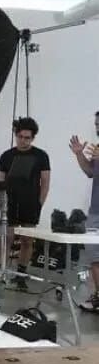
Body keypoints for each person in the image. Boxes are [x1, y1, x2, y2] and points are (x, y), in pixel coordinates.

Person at [0, 117, 51, 290]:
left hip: (31, 203)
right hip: (10, 203)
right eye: (20, 137)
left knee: (27, 241)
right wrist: (2, 204)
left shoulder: (41, 156)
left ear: (33, 138)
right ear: (16, 136)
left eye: (27, 138)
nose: (23, 140)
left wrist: (39, 204)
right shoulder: (6, 156)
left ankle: (21, 274)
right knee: (6, 238)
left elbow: (45, 182)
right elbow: (0, 182)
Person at [70, 113, 99, 311]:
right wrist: (79, 154)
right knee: (94, 255)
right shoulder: (97, 149)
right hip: (95, 211)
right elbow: (90, 172)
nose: (97, 128)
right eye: (96, 124)